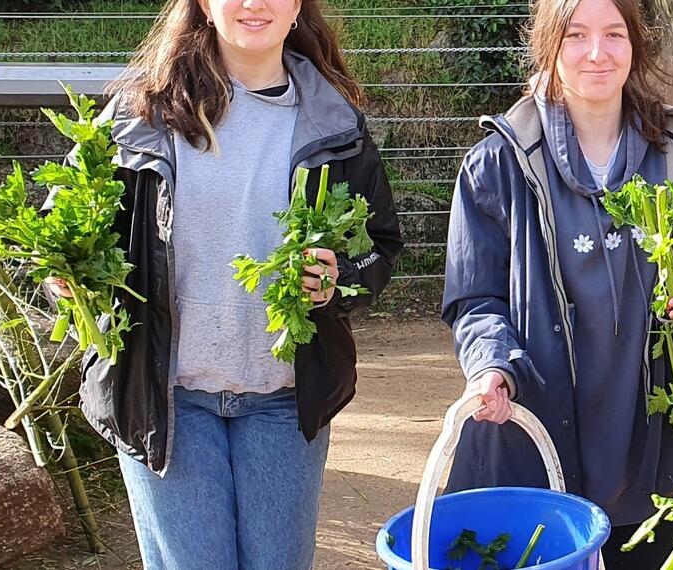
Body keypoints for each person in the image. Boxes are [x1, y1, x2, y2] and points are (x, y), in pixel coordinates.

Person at [54, 0, 402, 567]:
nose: (254, 3)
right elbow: (66, 228)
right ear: (203, 6)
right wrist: (68, 278)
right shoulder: (138, 115)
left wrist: (337, 282)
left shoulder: (333, 122)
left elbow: (379, 246)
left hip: (284, 403)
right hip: (167, 398)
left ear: (297, 7)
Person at [439, 0, 673, 567]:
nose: (596, 53)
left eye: (614, 34)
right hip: (530, 429)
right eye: (575, 35)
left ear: (636, 45)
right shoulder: (496, 165)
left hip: (649, 440)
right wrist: (491, 365)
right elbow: (475, 299)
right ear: (549, 46)